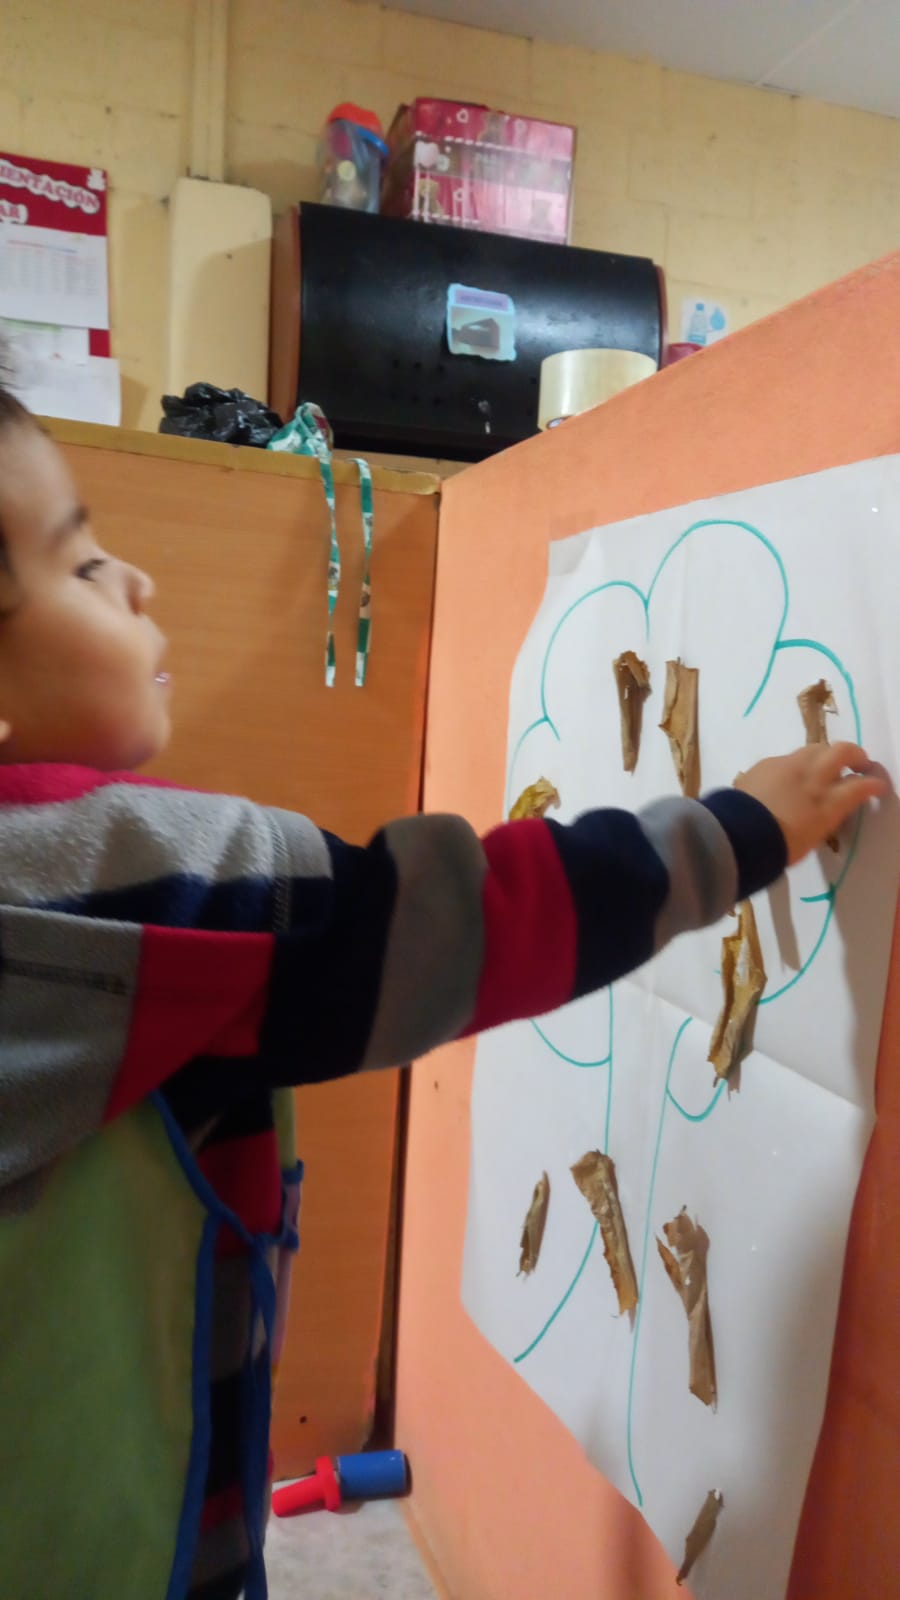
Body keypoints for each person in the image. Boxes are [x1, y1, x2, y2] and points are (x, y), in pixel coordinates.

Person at [0, 382, 885, 1600]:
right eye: (85, 562)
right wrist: (738, 833)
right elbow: (456, 923)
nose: (137, 581)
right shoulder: (145, 891)